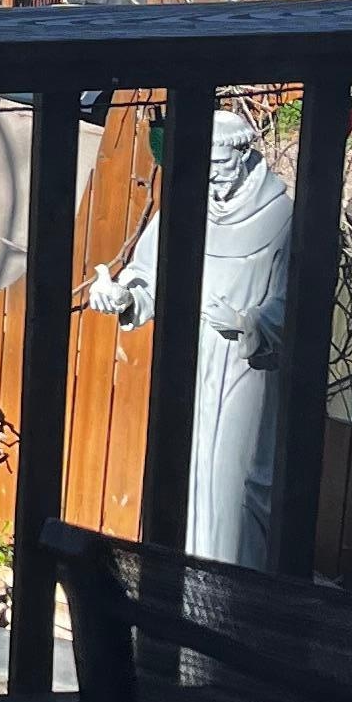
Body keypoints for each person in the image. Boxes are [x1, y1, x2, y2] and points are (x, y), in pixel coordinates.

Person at [87, 105, 296, 562]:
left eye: (220, 166)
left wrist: (249, 325)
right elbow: (148, 275)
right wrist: (122, 296)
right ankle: (182, 603)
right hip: (190, 361)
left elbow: (297, 302)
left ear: (244, 157)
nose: (213, 178)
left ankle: (227, 610)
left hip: (245, 371)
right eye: (205, 167)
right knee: (185, 476)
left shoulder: (282, 218)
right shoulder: (186, 208)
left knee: (234, 486)